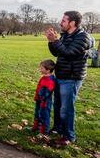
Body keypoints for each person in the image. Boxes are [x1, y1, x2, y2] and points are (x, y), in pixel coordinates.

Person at [45, 11, 92, 146]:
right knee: (58, 105)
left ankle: (68, 136)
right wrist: (51, 41)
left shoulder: (83, 37)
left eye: (64, 20)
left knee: (67, 109)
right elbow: (57, 52)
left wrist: (56, 41)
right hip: (61, 75)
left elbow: (69, 53)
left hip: (72, 78)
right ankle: (58, 129)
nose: (61, 22)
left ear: (72, 23)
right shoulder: (65, 35)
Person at [32, 60, 56, 137]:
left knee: (44, 115)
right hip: (39, 100)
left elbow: (48, 91)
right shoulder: (44, 78)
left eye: (42, 68)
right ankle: (36, 127)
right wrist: (37, 96)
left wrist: (43, 98)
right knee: (37, 113)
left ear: (48, 70)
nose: (40, 69)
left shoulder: (50, 80)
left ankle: (44, 132)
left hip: (45, 102)